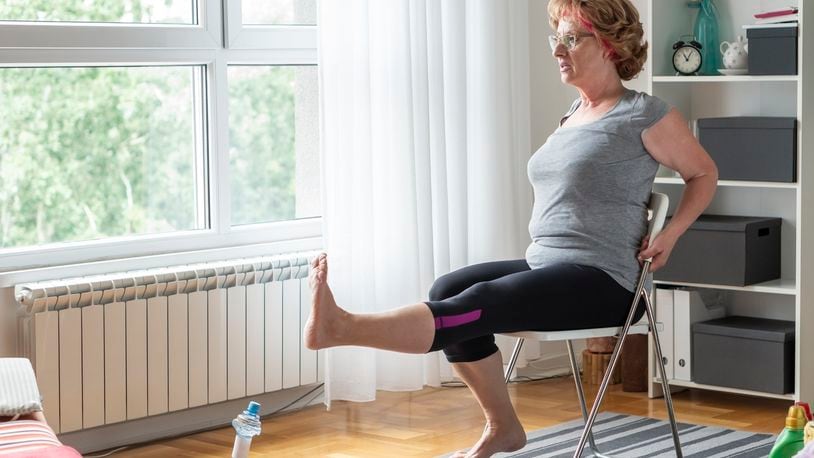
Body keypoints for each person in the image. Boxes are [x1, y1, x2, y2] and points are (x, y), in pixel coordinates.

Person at [304, 0, 718, 456]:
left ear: (608, 45)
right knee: (448, 286)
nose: (558, 50)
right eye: (555, 38)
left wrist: (670, 233)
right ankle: (503, 426)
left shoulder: (644, 114)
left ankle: (343, 328)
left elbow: (703, 174)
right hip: (547, 265)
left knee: (479, 304)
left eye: (571, 39)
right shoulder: (572, 115)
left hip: (607, 282)